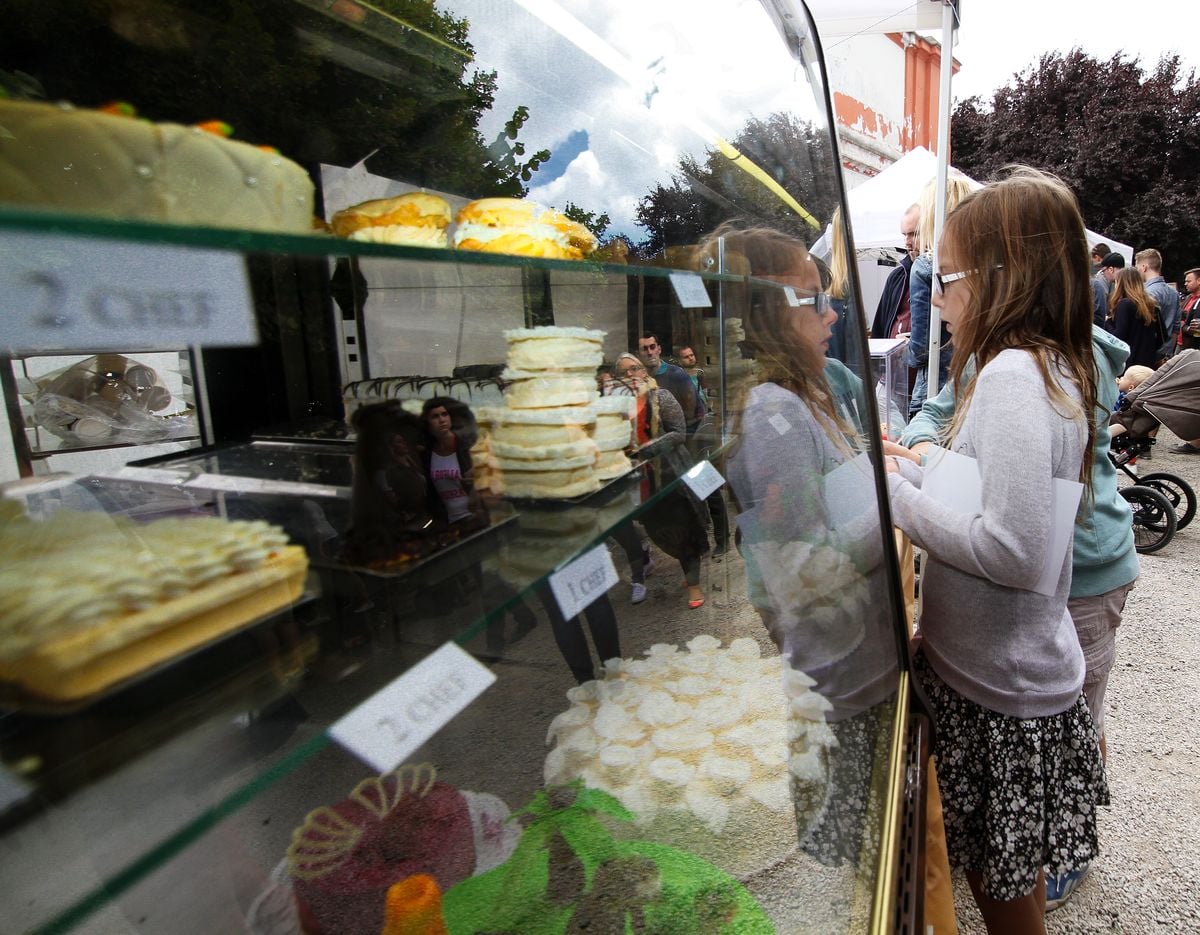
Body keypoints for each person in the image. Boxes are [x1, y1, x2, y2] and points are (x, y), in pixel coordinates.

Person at [885, 167, 1108, 931]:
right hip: (1003, 674)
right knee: (1003, 875)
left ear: (998, 277)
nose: (937, 300)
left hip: (996, 689)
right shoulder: (1043, 363)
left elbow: (1014, 548)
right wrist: (917, 466)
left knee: (1000, 889)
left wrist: (900, 502)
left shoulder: (1012, 374)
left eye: (943, 279)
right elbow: (1005, 496)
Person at [700, 221, 899, 869]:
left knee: (872, 841)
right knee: (849, 858)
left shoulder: (803, 394)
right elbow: (809, 570)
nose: (831, 311)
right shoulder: (771, 414)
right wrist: (902, 504)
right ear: (764, 312)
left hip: (859, 665)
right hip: (838, 682)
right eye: (812, 298)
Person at [615, 352, 709, 608]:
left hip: (670, 476)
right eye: (625, 372)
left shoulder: (661, 396)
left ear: (644, 372)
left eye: (635, 368)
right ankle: (689, 570)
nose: (632, 375)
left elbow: (678, 433)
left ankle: (694, 585)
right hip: (642, 482)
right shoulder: (617, 410)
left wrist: (645, 448)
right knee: (659, 532)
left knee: (683, 528)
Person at [907, 173, 973, 415]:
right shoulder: (981, 264)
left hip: (934, 392)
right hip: (968, 384)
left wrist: (904, 349)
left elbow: (920, 349)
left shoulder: (926, 266)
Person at [870, 203, 920, 340]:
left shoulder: (939, 276)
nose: (907, 242)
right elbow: (879, 328)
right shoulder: (897, 276)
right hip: (895, 358)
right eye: (904, 235)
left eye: (914, 234)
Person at [636, 332, 704, 433]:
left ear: (659, 349)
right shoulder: (637, 379)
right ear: (637, 354)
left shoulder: (678, 375)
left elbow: (696, 415)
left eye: (652, 347)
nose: (649, 352)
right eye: (644, 349)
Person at [1106, 267, 1163, 368]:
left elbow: (1118, 337)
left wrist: (1108, 323)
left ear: (1121, 283)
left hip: (1128, 362)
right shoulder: (1152, 305)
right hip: (1147, 363)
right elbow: (1162, 338)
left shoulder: (1124, 304)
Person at [1135, 248, 1180, 361]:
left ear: (1144, 267)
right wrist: (1168, 351)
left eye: (1137, 268)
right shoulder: (1174, 293)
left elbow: (1144, 326)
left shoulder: (1146, 293)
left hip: (1149, 354)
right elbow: (1176, 327)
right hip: (1166, 354)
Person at [1175, 267, 1200, 351]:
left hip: (1192, 346)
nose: (1185, 284)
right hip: (1180, 342)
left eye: (1188, 281)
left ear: (1199, 281)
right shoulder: (1187, 298)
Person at [1090, 245, 1112, 325]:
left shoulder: (1102, 275)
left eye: (1093, 258)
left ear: (1097, 257)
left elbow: (1102, 298)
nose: (1092, 261)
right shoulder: (1110, 274)